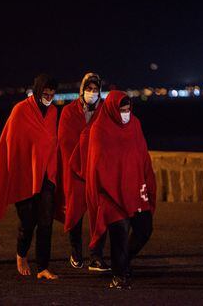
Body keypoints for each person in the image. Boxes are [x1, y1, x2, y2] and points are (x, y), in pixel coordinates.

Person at [0, 74, 59, 280]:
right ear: (37, 91)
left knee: (46, 223)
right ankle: (21, 254)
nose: (49, 97)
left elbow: (52, 141)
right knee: (28, 223)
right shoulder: (21, 110)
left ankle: (43, 268)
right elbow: (11, 144)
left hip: (46, 175)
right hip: (24, 175)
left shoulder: (54, 112)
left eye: (52, 94)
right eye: (45, 93)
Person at [86, 90, 156, 289]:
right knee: (120, 231)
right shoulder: (99, 129)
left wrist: (147, 181)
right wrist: (108, 190)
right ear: (112, 110)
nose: (126, 113)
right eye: (122, 110)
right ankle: (119, 276)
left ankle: (123, 261)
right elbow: (98, 164)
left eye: (128, 109)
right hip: (110, 193)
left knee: (144, 228)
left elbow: (142, 155)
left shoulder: (135, 124)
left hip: (134, 189)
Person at [58, 73, 110, 271]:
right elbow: (65, 142)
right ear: (82, 90)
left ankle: (96, 255)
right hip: (75, 170)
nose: (92, 93)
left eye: (95, 90)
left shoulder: (105, 111)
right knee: (76, 213)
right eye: (88, 89)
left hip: (98, 172)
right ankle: (76, 252)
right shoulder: (69, 112)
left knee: (100, 213)